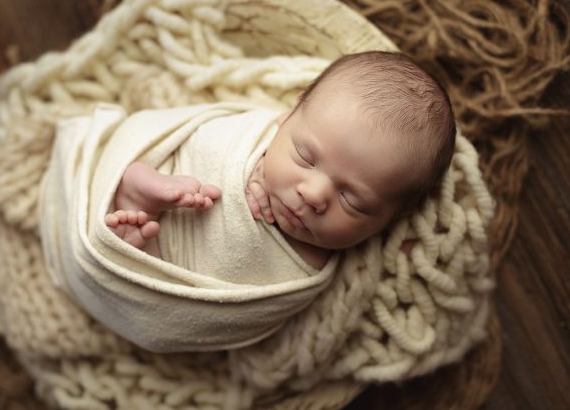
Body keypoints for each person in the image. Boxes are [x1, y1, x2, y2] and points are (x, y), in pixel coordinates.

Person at [104, 51, 455, 270]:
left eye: (352, 200)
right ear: (291, 113)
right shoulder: (271, 130)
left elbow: (237, 313)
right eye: (305, 157)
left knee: (158, 287)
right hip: (187, 182)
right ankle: (139, 190)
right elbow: (228, 135)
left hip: (172, 274)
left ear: (392, 218)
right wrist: (251, 162)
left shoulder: (326, 264)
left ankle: (137, 235)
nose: (313, 194)